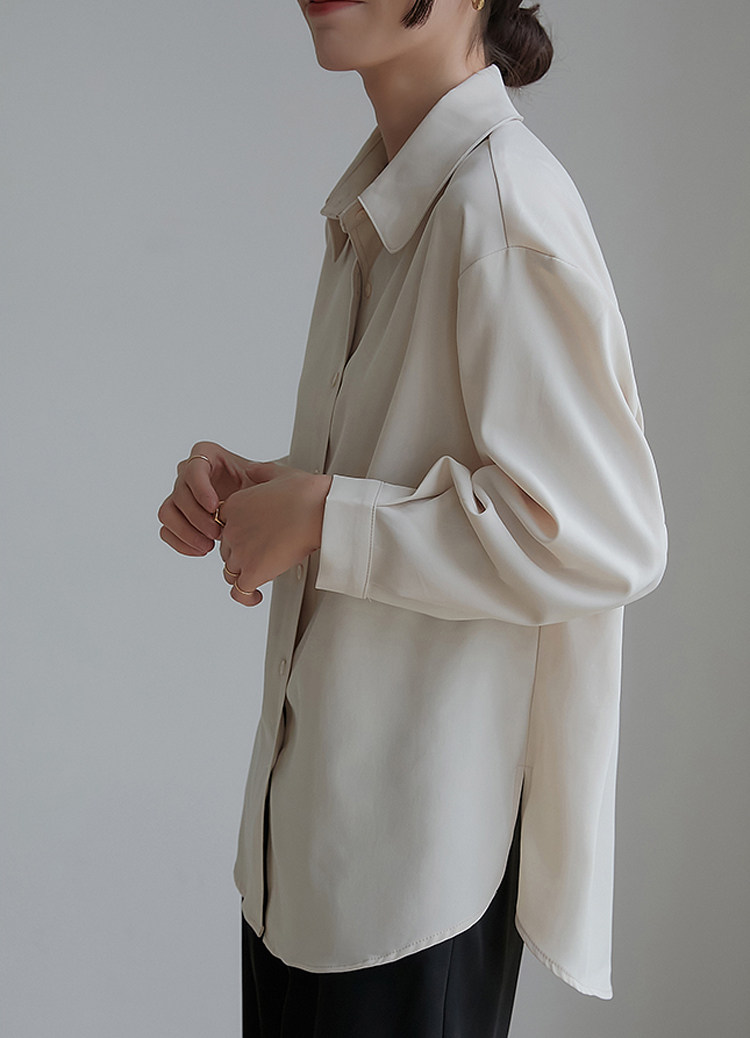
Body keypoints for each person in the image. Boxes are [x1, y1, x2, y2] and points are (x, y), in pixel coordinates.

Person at [157, 1, 668, 1034]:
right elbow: (417, 469)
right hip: (312, 853)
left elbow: (607, 537)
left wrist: (327, 519)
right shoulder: (391, 203)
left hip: (408, 884)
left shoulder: (501, 209)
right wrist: (269, 490)